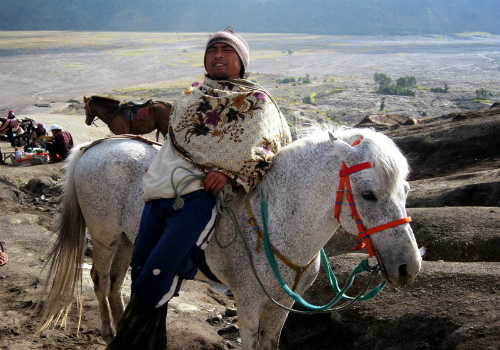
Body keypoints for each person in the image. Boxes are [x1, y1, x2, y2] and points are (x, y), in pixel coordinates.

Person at [107, 28, 292, 349]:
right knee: (139, 274)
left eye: (227, 50)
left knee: (156, 276)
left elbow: (265, 145)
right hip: (158, 192)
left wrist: (231, 173)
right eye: (213, 49)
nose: (218, 54)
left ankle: (125, 344)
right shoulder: (193, 93)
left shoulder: (257, 101)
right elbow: (183, 132)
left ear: (242, 61)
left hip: (199, 198)